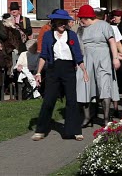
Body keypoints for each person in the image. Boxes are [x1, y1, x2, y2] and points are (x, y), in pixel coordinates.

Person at [31, 9, 88, 141]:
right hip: (53, 69)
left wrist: (84, 71)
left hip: (68, 69)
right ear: (55, 22)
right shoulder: (48, 36)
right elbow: (43, 55)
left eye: (65, 22)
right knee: (49, 100)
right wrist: (38, 72)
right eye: (61, 22)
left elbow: (78, 55)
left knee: (72, 100)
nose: (63, 24)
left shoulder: (72, 35)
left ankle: (74, 131)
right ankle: (40, 130)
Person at [76, 5, 121, 127]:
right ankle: (87, 117)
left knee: (104, 86)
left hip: (103, 58)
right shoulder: (81, 29)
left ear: (86, 17)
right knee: (84, 85)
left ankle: (106, 118)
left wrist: (115, 58)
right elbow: (78, 46)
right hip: (86, 58)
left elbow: (112, 42)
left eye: (81, 18)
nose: (80, 21)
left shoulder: (103, 25)